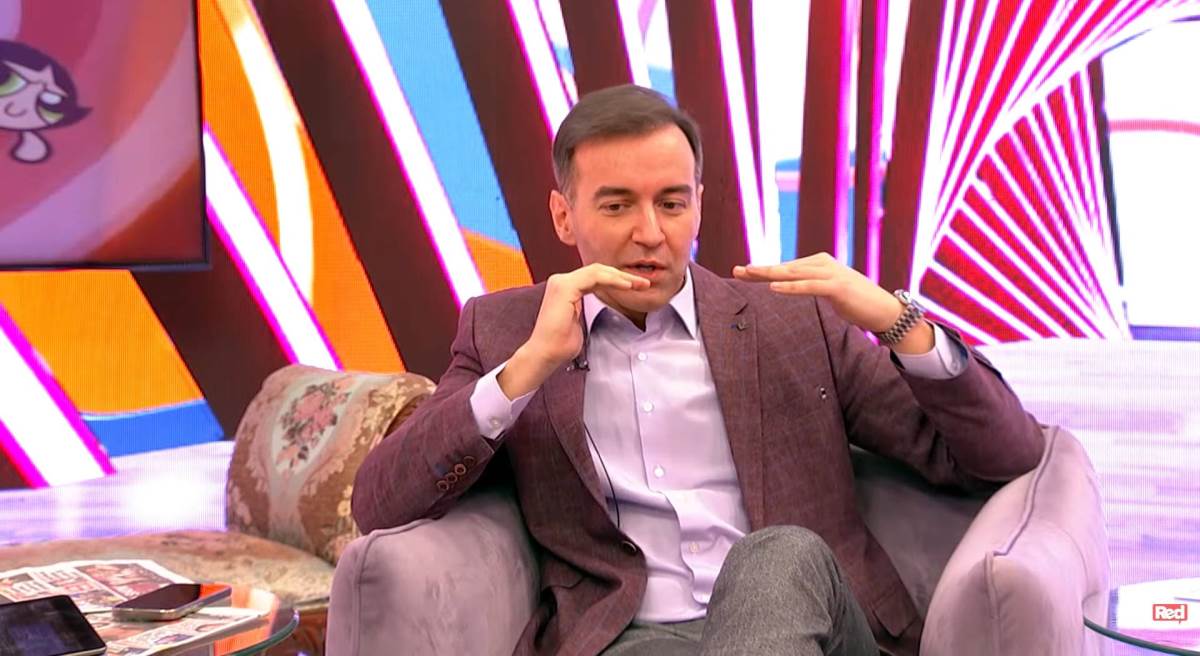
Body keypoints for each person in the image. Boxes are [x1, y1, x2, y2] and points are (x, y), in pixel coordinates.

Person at [352, 84, 1044, 656]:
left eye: (671, 203)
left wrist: (896, 320)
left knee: (776, 557)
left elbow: (1005, 453)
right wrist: (526, 369)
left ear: (699, 206)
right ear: (564, 216)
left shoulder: (790, 321)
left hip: (812, 624)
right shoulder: (506, 330)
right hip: (633, 635)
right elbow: (379, 503)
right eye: (617, 205)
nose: (650, 233)